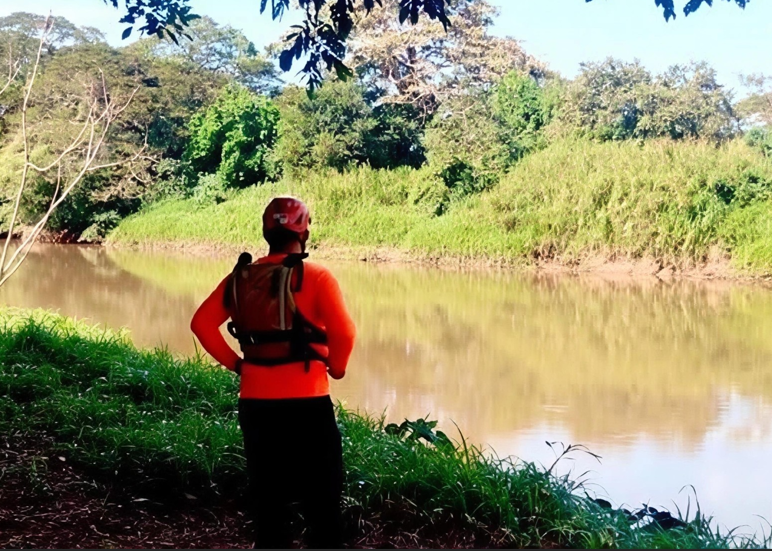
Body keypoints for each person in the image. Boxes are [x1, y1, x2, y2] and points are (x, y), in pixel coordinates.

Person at [190, 197, 356, 549]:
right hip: (308, 405)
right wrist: (338, 368)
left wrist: (238, 365)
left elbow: (201, 324)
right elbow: (345, 333)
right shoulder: (316, 276)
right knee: (322, 501)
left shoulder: (241, 278)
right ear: (304, 232)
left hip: (256, 405)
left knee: (269, 500)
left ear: (266, 232)